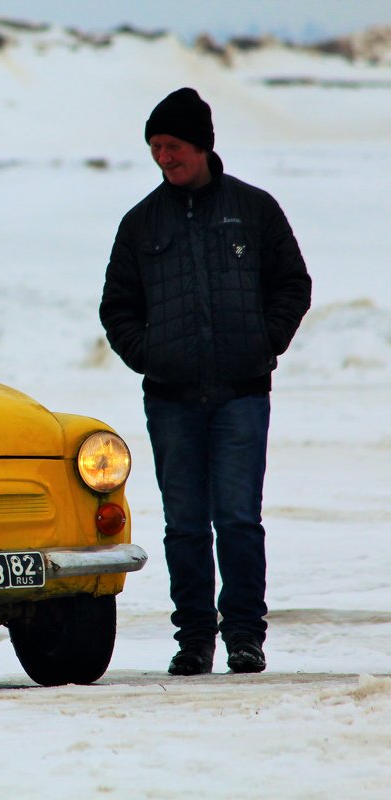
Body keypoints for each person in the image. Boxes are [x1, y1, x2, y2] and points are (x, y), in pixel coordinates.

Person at [99, 87, 312, 676]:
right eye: (155, 148)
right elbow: (116, 307)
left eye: (172, 147)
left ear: (202, 146)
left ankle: (245, 635)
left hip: (241, 395)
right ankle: (194, 639)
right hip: (171, 400)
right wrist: (152, 356)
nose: (163, 158)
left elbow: (293, 284)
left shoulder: (255, 209)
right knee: (185, 526)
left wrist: (263, 342)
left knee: (238, 520)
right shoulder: (140, 224)